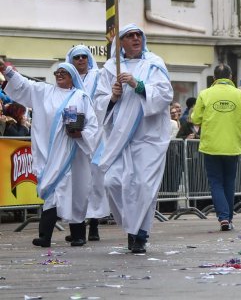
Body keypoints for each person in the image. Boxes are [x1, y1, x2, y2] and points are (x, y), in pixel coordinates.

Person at [0, 59, 98, 247]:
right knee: (53, 192)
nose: (59, 75)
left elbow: (93, 126)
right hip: (51, 154)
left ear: (72, 77)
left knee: (75, 193)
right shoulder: (44, 92)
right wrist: (8, 71)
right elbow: (25, 85)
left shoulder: (81, 97)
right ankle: (45, 237)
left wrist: (80, 133)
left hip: (74, 154)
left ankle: (78, 235)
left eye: (64, 72)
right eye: (57, 72)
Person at [94, 24, 173, 254]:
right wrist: (113, 96)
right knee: (113, 182)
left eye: (139, 35)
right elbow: (98, 102)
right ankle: (131, 226)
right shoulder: (110, 68)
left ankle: (139, 234)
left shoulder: (154, 64)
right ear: (121, 42)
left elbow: (165, 94)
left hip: (148, 137)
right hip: (120, 139)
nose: (136, 38)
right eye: (130, 36)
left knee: (143, 187)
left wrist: (138, 85)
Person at [191, 63, 241, 231]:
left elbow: (195, 118)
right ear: (231, 77)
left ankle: (223, 217)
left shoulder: (205, 94)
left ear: (214, 78)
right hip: (233, 145)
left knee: (216, 182)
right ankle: (229, 218)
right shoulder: (240, 95)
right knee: (229, 182)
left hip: (211, 145)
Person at [65, 45, 106, 243]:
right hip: (75, 138)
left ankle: (95, 224)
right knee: (77, 183)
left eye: (84, 56)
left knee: (96, 181)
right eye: (76, 57)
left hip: (96, 134)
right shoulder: (68, 80)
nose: (80, 60)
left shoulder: (98, 76)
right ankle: (77, 225)